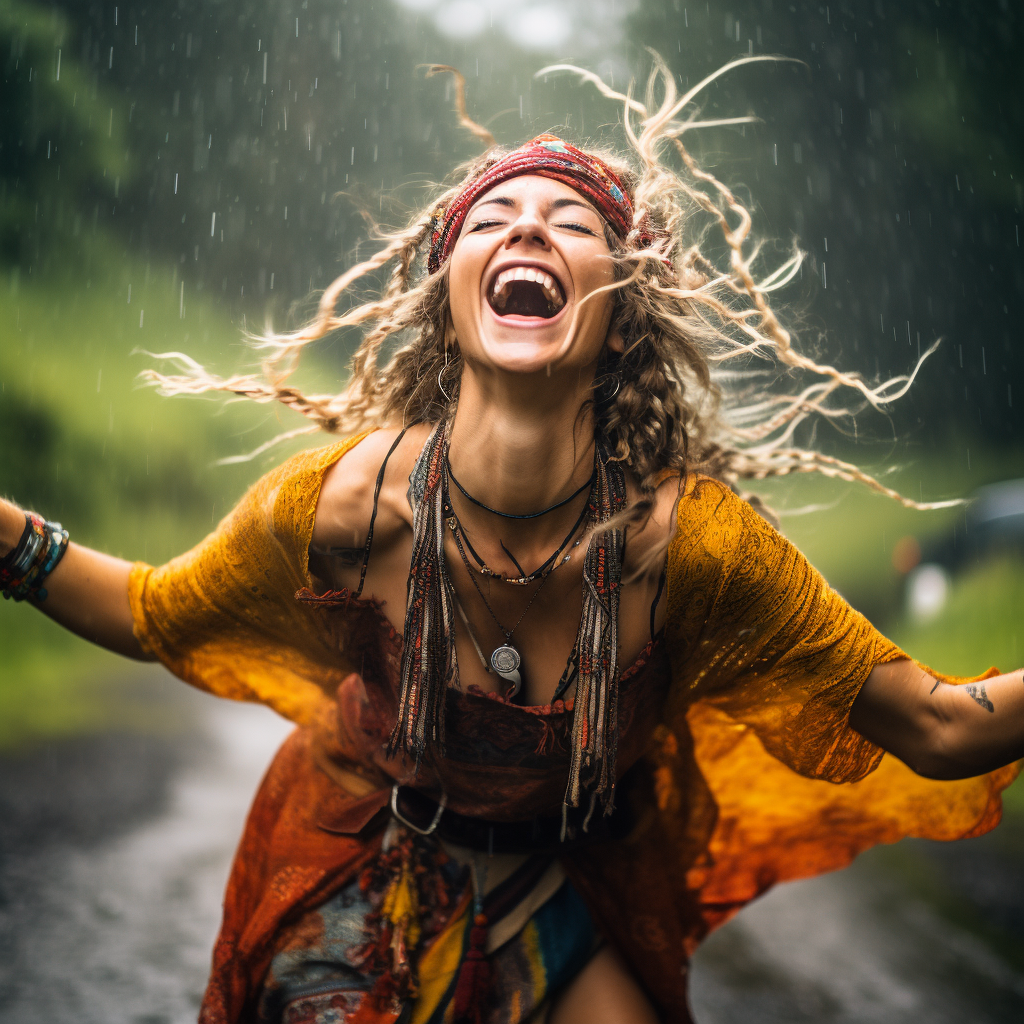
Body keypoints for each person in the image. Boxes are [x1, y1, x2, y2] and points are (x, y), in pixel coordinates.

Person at [1, 59, 1022, 1024]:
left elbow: (940, 726)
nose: (526, 228)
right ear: (451, 307)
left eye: (567, 223)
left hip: (559, 884)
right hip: (365, 867)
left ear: (621, 317)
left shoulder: (694, 549)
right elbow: (147, 612)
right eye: (492, 220)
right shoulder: (345, 506)